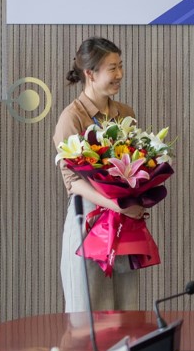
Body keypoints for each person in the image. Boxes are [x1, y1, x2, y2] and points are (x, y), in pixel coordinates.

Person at [52, 37, 147, 313]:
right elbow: (73, 183)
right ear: (90, 74)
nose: (119, 75)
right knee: (89, 316)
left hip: (124, 224)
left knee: (126, 313)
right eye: (112, 68)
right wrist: (118, 205)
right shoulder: (72, 118)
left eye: (121, 66)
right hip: (89, 219)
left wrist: (137, 198)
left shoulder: (125, 113)